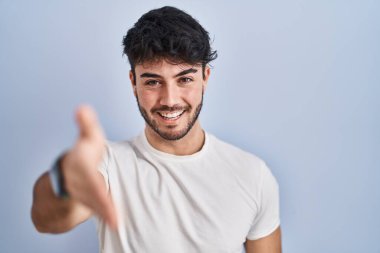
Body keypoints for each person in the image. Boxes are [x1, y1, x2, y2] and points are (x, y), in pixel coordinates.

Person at [31, 6, 282, 253]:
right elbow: (46, 220)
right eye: (153, 82)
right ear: (133, 82)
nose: (170, 99)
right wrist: (65, 178)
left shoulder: (252, 175)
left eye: (184, 79)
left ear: (205, 77)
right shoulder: (107, 164)